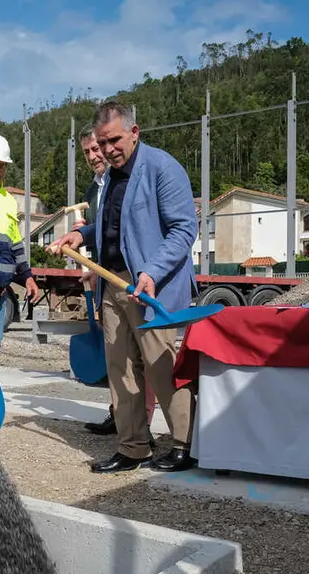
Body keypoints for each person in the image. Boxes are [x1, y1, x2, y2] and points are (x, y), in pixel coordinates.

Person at [50, 102, 197, 474]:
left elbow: (183, 230)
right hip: (112, 284)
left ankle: (186, 443)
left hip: (152, 286)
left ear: (134, 132)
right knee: (120, 370)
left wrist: (151, 271)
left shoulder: (162, 168)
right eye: (102, 142)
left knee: (161, 366)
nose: (108, 148)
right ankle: (133, 447)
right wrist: (80, 234)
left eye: (114, 139)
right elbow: (110, 226)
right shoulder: (110, 179)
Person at [74, 125, 157, 439]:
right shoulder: (93, 190)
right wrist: (92, 265)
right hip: (105, 277)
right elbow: (101, 232)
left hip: (135, 278)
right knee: (117, 354)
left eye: (98, 147)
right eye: (88, 152)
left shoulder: (130, 179)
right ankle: (120, 416)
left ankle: (144, 423)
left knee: (142, 354)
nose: (95, 155)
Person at [0, 134, 41, 379]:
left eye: (1, 166)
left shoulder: (8, 202)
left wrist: (29, 278)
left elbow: (16, 244)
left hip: (0, 290)